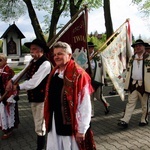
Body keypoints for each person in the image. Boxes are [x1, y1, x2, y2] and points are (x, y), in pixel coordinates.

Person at [44, 41, 96, 150]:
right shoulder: (54, 73)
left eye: (60, 54)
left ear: (69, 55)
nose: (56, 57)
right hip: (55, 122)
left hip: (70, 125)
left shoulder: (79, 74)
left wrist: (81, 130)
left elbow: (85, 104)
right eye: (55, 54)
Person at [6, 39, 52, 150]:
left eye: (34, 49)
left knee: (40, 126)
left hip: (42, 99)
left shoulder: (45, 64)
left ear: (41, 50)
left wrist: (18, 86)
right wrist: (11, 81)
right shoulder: (32, 62)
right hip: (34, 98)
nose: (31, 51)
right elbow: (22, 74)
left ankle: (40, 148)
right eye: (31, 49)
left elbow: (34, 82)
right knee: (38, 124)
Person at [117, 39, 150, 129]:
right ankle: (125, 120)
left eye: (139, 46)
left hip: (144, 85)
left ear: (144, 47)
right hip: (133, 84)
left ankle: (144, 119)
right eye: (136, 46)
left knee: (144, 104)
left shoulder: (148, 57)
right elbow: (128, 69)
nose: (137, 47)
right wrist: (121, 75)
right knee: (130, 103)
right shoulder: (132, 58)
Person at [0, 53, 19, 139]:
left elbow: (14, 84)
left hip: (7, 95)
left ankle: (8, 130)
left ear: (5, 60)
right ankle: (5, 128)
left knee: (7, 113)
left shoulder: (9, 71)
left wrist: (10, 97)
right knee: (2, 113)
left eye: (0, 60)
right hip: (0, 95)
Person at [88, 42, 110, 116]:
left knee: (98, 97)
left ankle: (106, 105)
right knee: (90, 97)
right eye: (88, 47)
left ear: (93, 48)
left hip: (98, 79)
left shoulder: (99, 56)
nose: (89, 49)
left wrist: (105, 78)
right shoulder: (85, 56)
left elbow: (103, 67)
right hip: (89, 79)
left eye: (91, 47)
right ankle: (91, 113)